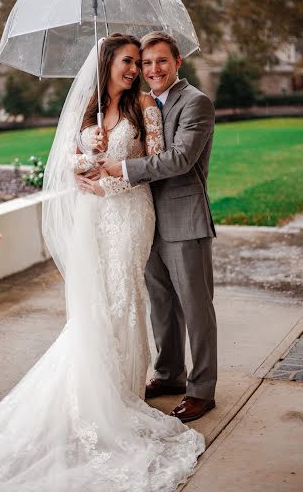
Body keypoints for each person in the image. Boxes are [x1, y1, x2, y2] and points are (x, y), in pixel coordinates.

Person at [0, 34, 204, 492]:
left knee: (124, 296)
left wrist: (109, 181)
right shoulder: (87, 111)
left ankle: (120, 394)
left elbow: (154, 164)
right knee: (94, 302)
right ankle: (92, 392)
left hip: (131, 214)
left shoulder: (146, 108)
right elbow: (69, 165)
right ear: (107, 63)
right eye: (127, 61)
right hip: (92, 218)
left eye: (138, 62)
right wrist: (85, 155)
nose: (135, 69)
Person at [100, 31, 217, 424]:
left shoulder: (195, 103)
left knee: (196, 308)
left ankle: (202, 390)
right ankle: (169, 375)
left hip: (185, 219)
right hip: (145, 218)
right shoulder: (140, 102)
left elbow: (180, 159)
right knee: (162, 306)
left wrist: (126, 169)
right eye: (145, 63)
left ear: (178, 61)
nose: (152, 69)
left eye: (161, 61)